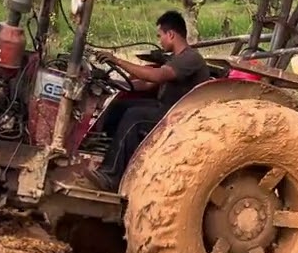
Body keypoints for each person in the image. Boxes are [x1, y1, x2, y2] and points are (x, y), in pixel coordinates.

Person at [88, 10, 210, 190]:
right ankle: (103, 151)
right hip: (165, 107)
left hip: (179, 115)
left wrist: (118, 61)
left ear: (171, 34)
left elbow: (157, 76)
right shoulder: (175, 59)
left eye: (160, 36)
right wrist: (111, 81)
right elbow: (145, 85)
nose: (159, 40)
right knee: (120, 106)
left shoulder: (191, 58)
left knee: (134, 116)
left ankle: (111, 176)